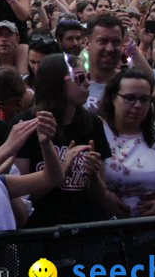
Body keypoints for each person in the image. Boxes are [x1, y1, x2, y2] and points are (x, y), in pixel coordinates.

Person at [15, 53, 112, 227]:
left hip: (84, 230)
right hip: (40, 233)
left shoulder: (93, 124)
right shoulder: (26, 125)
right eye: (80, 78)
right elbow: (22, 197)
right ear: (56, 82)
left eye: (88, 77)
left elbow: (100, 195)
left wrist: (94, 176)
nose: (88, 83)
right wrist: (60, 170)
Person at [97, 69, 155, 217]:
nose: (137, 105)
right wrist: (102, 194)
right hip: (106, 228)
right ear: (113, 98)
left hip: (151, 229)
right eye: (130, 98)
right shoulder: (97, 130)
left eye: (144, 99)